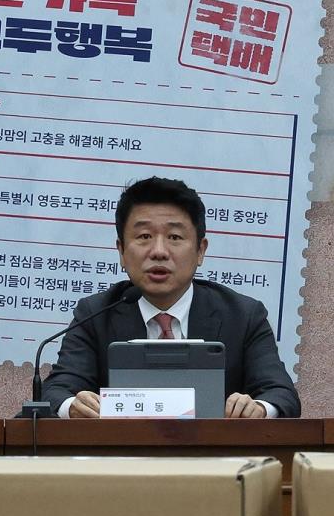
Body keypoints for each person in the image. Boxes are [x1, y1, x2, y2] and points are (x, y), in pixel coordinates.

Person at [41, 176, 300, 419]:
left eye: (175, 237)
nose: (159, 252)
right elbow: (56, 392)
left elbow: (281, 395)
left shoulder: (243, 315)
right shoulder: (95, 313)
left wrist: (259, 409)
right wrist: (73, 406)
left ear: (200, 250)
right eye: (144, 237)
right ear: (121, 250)